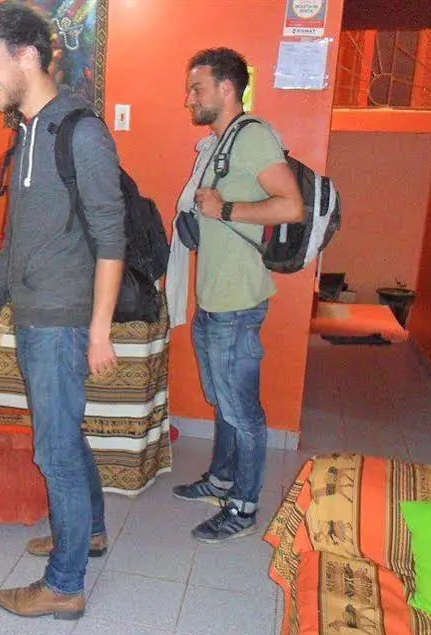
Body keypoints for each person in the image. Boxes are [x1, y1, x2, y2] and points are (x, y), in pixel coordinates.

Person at [0, 1, 125, 620]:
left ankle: (64, 584)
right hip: (34, 314)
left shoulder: (80, 132)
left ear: (27, 56)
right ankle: (90, 533)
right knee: (66, 438)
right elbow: (18, 238)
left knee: (54, 450)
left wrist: (99, 331)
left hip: (60, 320)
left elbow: (111, 238)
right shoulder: (28, 131)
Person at [173, 48, 303, 542]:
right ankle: (221, 480)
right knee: (224, 400)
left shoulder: (253, 137)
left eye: (197, 88)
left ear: (227, 88)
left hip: (238, 302)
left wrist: (226, 210)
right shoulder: (219, 143)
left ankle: (243, 507)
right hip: (213, 298)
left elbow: (291, 206)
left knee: (242, 410)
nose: (189, 99)